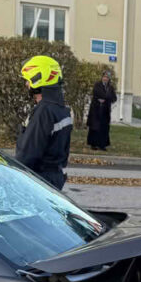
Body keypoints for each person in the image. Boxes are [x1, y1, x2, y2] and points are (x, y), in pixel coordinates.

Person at [16, 55, 74, 189]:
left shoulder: (44, 112)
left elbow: (27, 155)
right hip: (54, 178)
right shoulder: (62, 109)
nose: (26, 84)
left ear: (37, 79)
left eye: (28, 80)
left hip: (38, 180)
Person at [86, 70, 117, 151]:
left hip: (105, 111)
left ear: (109, 79)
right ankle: (93, 144)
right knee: (95, 127)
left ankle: (102, 145)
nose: (105, 79)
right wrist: (106, 97)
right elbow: (97, 93)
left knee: (104, 128)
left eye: (107, 77)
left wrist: (106, 98)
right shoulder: (97, 85)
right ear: (102, 77)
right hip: (96, 110)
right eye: (104, 77)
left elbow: (114, 98)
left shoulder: (110, 87)